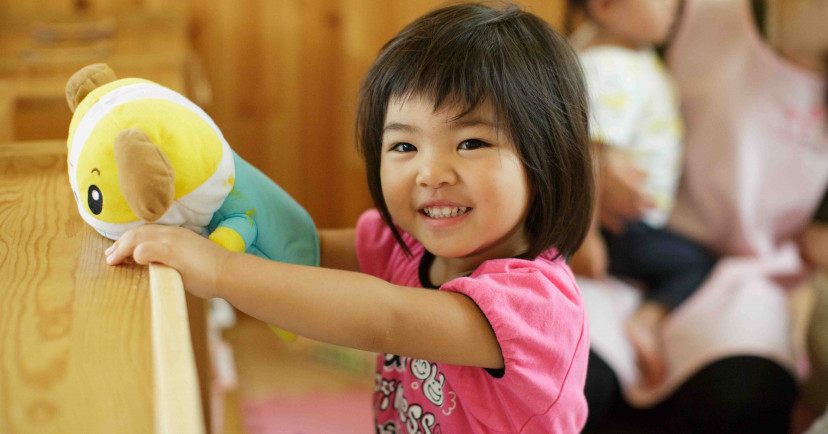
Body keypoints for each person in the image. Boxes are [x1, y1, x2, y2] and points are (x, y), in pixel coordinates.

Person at [105, 3, 596, 432]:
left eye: (471, 143)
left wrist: (221, 272)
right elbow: (303, 248)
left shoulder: (535, 306)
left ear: (548, 157)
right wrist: (206, 219)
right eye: (404, 145)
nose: (431, 172)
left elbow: (389, 318)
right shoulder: (411, 245)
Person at [577, 0, 828, 432]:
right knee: (569, 370)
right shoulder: (680, 15)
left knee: (742, 396)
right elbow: (579, 101)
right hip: (637, 236)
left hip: (755, 276)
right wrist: (591, 164)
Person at [566, 0, 717, 388]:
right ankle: (647, 319)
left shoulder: (618, 49)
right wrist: (587, 239)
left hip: (625, 225)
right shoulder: (611, 67)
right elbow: (589, 161)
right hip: (621, 227)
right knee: (697, 262)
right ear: (605, 6)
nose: (676, 8)